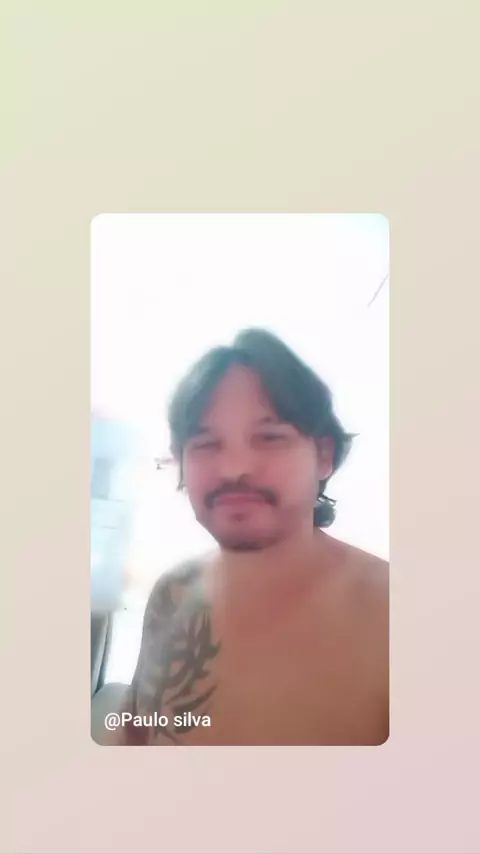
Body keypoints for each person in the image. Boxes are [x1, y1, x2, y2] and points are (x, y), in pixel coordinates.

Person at [113, 328, 389, 746]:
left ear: (324, 455)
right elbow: (133, 733)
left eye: (270, 438)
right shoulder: (173, 591)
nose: (233, 468)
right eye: (206, 443)